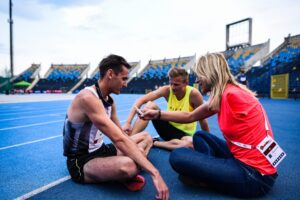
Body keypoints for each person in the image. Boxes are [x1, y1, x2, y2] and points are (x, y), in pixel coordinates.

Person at [140, 53, 283, 198]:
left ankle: (208, 176)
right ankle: (211, 170)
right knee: (201, 136)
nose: (196, 80)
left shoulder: (232, 96)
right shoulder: (229, 92)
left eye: (200, 75)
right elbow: (190, 116)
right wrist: (157, 114)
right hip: (247, 160)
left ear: (210, 74)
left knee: (177, 156)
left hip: (254, 177)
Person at [63, 54, 169, 200]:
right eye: (124, 78)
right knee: (129, 166)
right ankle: (124, 172)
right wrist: (154, 172)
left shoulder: (110, 101)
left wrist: (135, 149)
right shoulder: (87, 98)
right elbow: (118, 139)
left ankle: (122, 171)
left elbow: (121, 134)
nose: (126, 84)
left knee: (146, 137)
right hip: (81, 160)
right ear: (110, 74)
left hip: (101, 150)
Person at [123, 67, 209, 151]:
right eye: (171, 83)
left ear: (186, 82)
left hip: (184, 135)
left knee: (189, 144)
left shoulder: (194, 94)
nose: (172, 87)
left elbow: (203, 120)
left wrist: (209, 141)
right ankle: (129, 141)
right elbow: (141, 100)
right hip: (167, 128)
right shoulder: (167, 90)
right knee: (150, 105)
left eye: (176, 84)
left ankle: (154, 142)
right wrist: (128, 122)